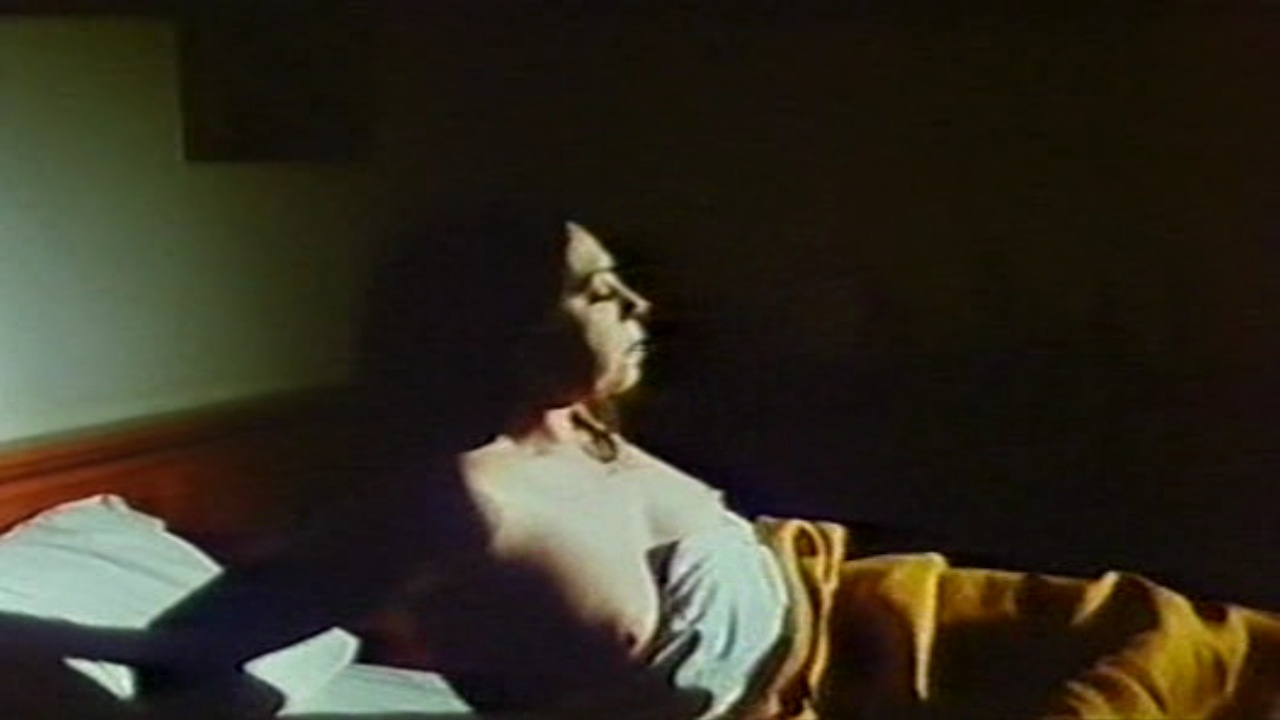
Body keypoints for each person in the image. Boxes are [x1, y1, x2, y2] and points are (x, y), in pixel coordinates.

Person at [132, 198, 1280, 720]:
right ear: (499, 329)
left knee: (1194, 642)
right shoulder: (447, 507)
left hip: (863, 621)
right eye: (597, 290)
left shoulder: (586, 430)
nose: (636, 304)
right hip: (806, 695)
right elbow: (191, 649)